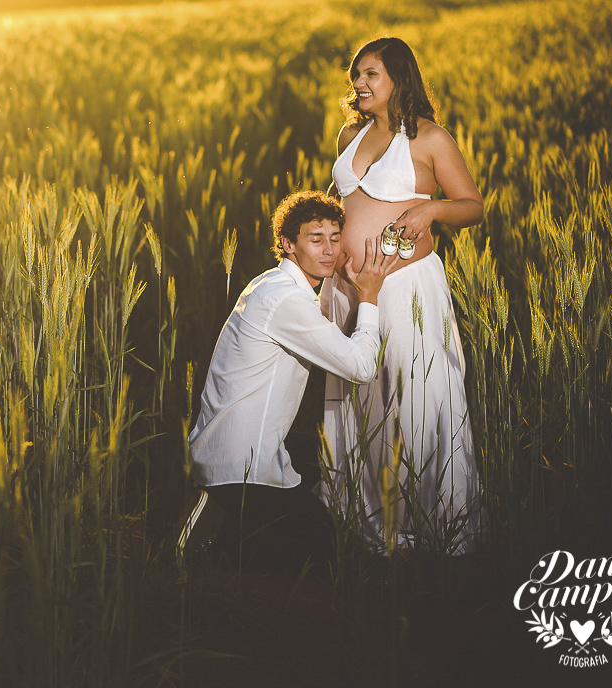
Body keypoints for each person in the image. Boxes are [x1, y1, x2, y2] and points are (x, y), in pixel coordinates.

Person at [319, 37, 483, 554]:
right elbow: (344, 201)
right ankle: (370, 518)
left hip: (404, 286)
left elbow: (472, 206)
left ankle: (435, 524)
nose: (359, 84)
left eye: (370, 74)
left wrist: (432, 210)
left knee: (415, 394)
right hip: (349, 288)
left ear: (398, 77)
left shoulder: (430, 138)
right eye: (356, 75)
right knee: (361, 395)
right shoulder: (350, 133)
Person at [180, 191, 397, 575]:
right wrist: (369, 296)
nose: (329, 250)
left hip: (235, 446)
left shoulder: (273, 284)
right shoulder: (286, 300)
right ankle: (219, 535)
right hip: (242, 467)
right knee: (334, 555)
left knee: (334, 455)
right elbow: (362, 367)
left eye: (335, 238)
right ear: (288, 244)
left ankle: (234, 518)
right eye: (316, 239)